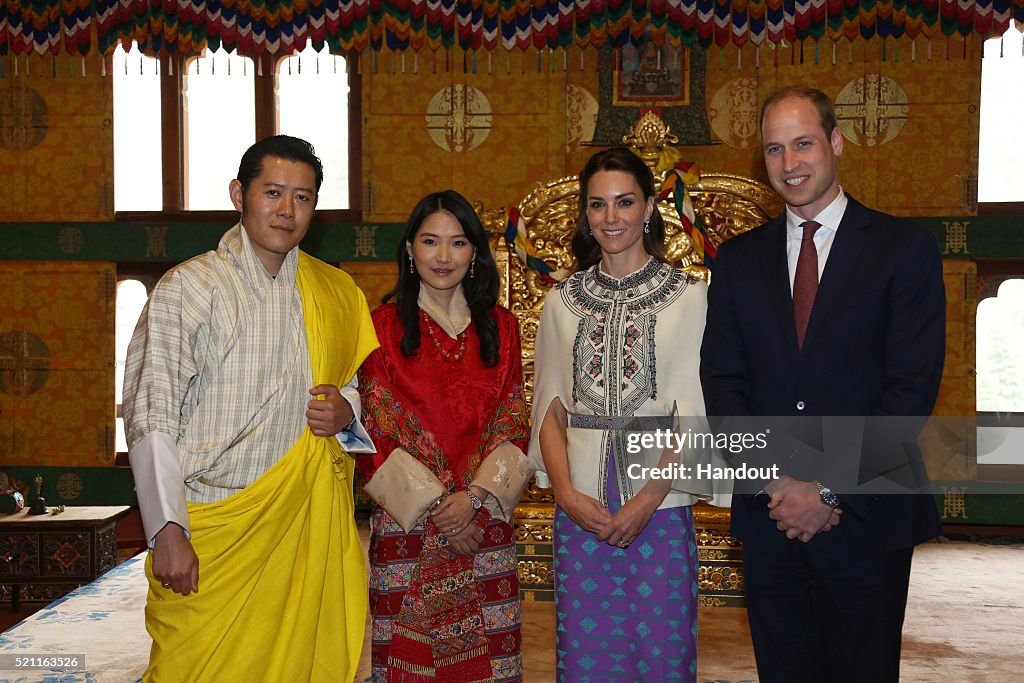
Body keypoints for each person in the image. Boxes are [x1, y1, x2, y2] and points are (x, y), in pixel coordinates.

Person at [700, 86, 946, 682]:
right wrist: (780, 484)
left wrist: (829, 490)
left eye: (804, 144)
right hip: (770, 519)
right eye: (775, 149)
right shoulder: (737, 260)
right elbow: (724, 385)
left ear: (835, 143)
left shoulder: (902, 249)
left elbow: (908, 391)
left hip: (867, 519)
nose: (790, 164)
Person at [123, 135, 378, 681]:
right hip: (210, 528)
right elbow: (151, 412)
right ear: (240, 194)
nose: (287, 210)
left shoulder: (335, 292)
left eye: (303, 198)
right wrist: (166, 530)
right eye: (273, 192)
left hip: (300, 531)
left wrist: (346, 415)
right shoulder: (188, 288)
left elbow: (354, 393)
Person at [528, 147, 730, 682]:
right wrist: (567, 495)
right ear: (585, 214)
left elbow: (695, 411)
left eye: (624, 202)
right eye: (598, 205)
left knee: (662, 652)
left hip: (658, 503)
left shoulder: (692, 297)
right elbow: (549, 410)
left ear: (648, 209)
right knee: (587, 651)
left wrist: (646, 500)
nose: (611, 217)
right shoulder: (561, 301)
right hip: (582, 507)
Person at [357, 190, 533, 683]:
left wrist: (474, 498)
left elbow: (513, 422)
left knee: (492, 663)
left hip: (483, 525)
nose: (442, 256)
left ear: (474, 253)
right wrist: (443, 511)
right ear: (410, 249)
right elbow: (375, 430)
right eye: (430, 241)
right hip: (407, 525)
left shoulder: (502, 327)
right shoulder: (380, 328)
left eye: (457, 244)